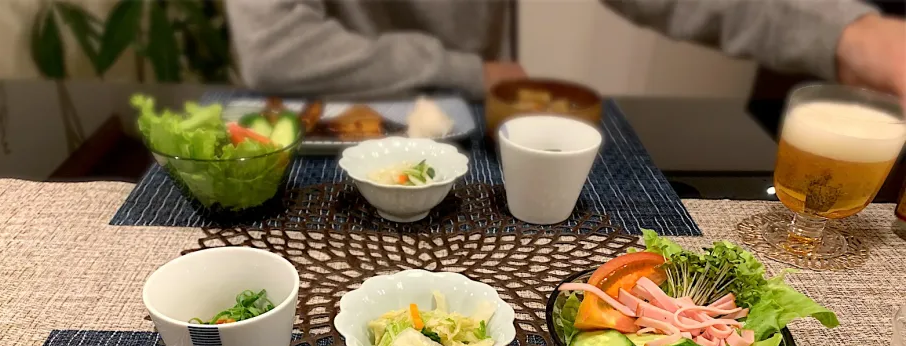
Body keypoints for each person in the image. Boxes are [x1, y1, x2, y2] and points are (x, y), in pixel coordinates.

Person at [225, 0, 906, 106]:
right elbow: (275, 46)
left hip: (470, 129)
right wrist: (476, 71)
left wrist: (841, 33)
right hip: (299, 123)